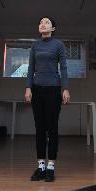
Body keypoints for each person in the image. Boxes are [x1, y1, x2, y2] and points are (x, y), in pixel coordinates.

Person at [25, 16, 70, 182]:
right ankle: (41, 166)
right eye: (41, 22)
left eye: (47, 22)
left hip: (53, 90)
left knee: (52, 129)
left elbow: (64, 68)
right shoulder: (35, 45)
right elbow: (30, 68)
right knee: (39, 128)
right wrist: (28, 87)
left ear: (53, 28)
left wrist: (65, 89)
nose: (42, 24)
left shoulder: (58, 45)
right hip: (37, 90)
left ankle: (51, 167)